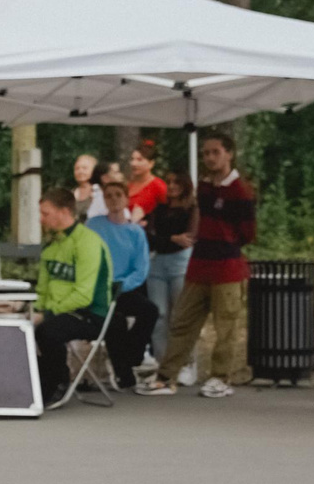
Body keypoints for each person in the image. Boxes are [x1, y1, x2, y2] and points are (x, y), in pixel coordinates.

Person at [143, 133, 255, 398]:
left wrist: (226, 241)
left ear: (229, 153)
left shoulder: (241, 190)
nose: (210, 158)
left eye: (215, 152)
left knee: (225, 325)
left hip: (227, 265)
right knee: (182, 320)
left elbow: (248, 232)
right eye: (205, 153)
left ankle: (220, 377)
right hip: (199, 264)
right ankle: (167, 375)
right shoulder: (204, 187)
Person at [32, 188, 114, 405]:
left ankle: (57, 382)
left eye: (45, 213)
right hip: (57, 312)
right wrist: (30, 311)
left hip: (89, 314)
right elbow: (43, 290)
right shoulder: (51, 247)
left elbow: (83, 296)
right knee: (20, 328)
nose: (41, 219)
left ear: (64, 211)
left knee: (47, 331)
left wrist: (46, 315)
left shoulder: (88, 242)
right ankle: (36, 382)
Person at [93, 180, 154, 391]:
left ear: (126, 199)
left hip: (123, 287)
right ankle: (123, 374)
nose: (114, 199)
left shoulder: (135, 232)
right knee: (115, 321)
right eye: (108, 195)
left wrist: (122, 285)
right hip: (99, 287)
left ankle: (130, 357)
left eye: (118, 194)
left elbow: (141, 268)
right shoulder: (94, 225)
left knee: (150, 311)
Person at [143, 168, 196, 365]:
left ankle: (184, 362)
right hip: (157, 263)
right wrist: (173, 239)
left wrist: (164, 240)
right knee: (159, 315)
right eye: (170, 182)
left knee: (180, 316)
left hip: (180, 264)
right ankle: (162, 361)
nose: (172, 187)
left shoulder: (191, 209)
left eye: (177, 183)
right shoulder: (159, 209)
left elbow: (190, 238)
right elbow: (149, 237)